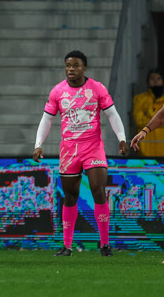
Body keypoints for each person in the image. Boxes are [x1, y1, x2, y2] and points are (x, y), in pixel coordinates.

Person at [33, 50, 127, 257]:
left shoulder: (97, 88)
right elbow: (47, 119)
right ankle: (67, 246)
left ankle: (104, 244)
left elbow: (112, 114)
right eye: (68, 65)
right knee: (70, 196)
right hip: (68, 150)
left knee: (98, 191)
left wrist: (121, 138)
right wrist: (38, 144)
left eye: (75, 65)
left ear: (84, 67)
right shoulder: (58, 91)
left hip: (93, 147)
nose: (71, 69)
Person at [132, 69, 164, 157]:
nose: (155, 81)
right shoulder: (139, 98)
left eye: (158, 78)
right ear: (148, 81)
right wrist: (159, 119)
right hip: (144, 148)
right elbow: (138, 120)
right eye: (152, 78)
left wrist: (148, 116)